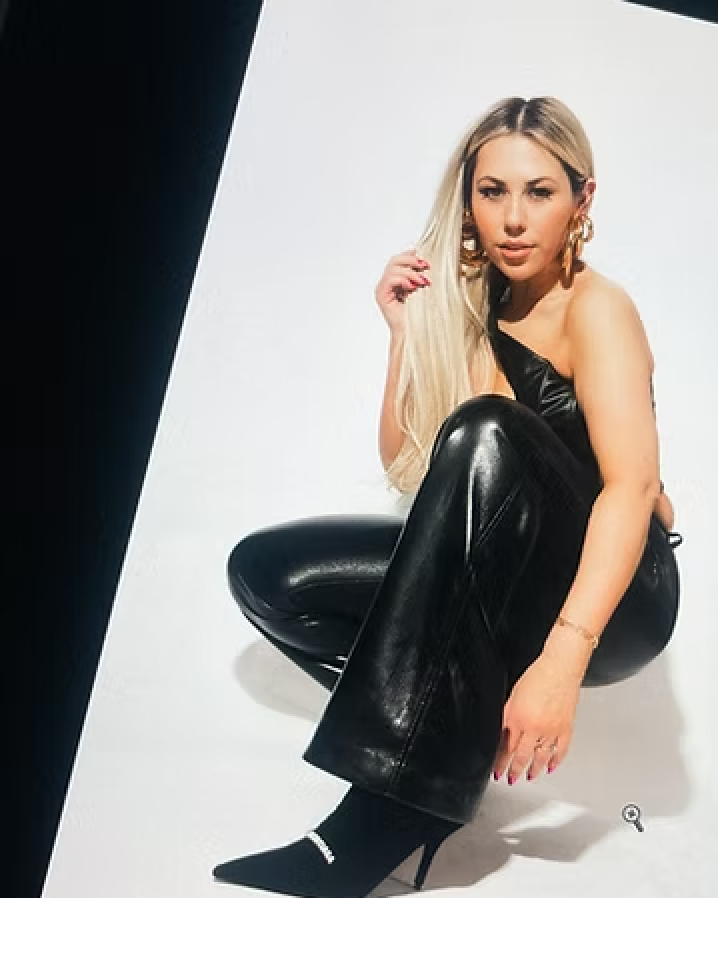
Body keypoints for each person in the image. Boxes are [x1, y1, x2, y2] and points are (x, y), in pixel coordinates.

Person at [213, 96, 683, 898]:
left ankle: (369, 828)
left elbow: (633, 489)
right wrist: (404, 334)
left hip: (620, 591)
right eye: (492, 191)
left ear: (583, 199)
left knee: (491, 423)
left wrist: (561, 662)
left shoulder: (598, 308)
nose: (513, 218)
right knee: (270, 576)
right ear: (467, 200)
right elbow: (415, 467)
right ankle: (444, 765)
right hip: (503, 573)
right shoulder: (481, 303)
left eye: (539, 191)